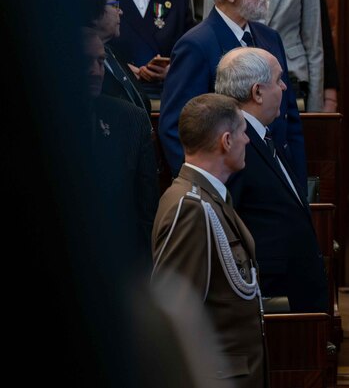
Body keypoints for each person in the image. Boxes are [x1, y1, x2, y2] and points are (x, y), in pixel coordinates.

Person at [158, 0, 306, 185]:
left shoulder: (270, 38)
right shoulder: (195, 45)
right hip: (230, 189)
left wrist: (297, 185)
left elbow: (290, 121)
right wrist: (206, 190)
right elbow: (176, 129)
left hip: (276, 183)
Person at [151, 93, 267, 387]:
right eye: (243, 132)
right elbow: (174, 324)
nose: (248, 141)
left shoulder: (210, 198)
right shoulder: (190, 208)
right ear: (226, 141)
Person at [215, 47, 329, 313]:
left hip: (293, 289)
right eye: (278, 80)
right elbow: (230, 223)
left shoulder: (262, 136)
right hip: (273, 294)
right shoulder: (234, 146)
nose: (285, 88)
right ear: (257, 92)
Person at [82, 27, 159, 272]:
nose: (96, 71)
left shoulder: (130, 120)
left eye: (101, 62)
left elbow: (147, 211)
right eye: (85, 61)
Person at [76, 0, 152, 116]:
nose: (120, 11)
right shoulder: (79, 63)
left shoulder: (112, 53)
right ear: (94, 12)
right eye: (115, 4)